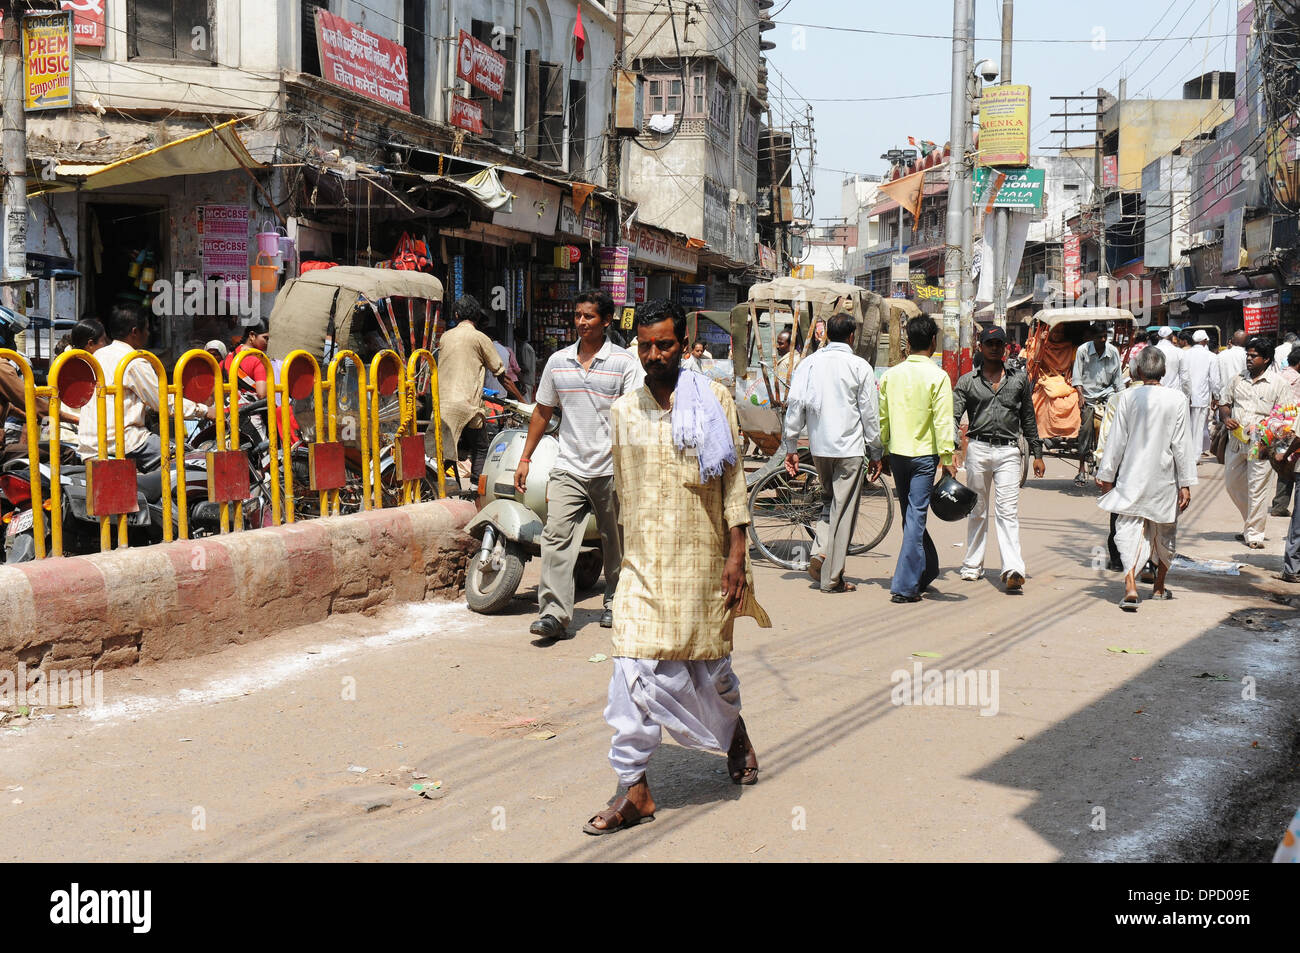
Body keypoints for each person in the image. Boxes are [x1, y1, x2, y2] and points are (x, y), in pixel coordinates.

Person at [583, 299, 771, 835]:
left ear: (683, 342)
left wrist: (737, 554)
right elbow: (620, 493)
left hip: (704, 559)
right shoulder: (623, 411)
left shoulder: (713, 399)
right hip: (644, 566)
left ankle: (732, 734)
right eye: (644, 345)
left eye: (664, 344)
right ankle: (634, 787)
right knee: (632, 670)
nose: (654, 354)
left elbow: (733, 480)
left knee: (707, 671)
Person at [516, 290, 641, 641]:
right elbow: (543, 411)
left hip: (611, 469)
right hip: (569, 466)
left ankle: (616, 600)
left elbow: (632, 415)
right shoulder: (558, 362)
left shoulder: (625, 364)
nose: (582, 322)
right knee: (555, 537)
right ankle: (554, 613)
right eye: (578, 316)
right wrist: (525, 457)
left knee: (614, 540)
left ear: (606, 321)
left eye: (589, 316)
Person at [780, 311, 882, 594]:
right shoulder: (859, 366)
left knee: (829, 503)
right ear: (852, 336)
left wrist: (791, 447)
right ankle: (832, 579)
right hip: (849, 449)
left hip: (819, 448)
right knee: (844, 510)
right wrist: (876, 451)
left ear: (826, 335)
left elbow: (795, 407)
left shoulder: (809, 364)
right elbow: (869, 414)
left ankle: (820, 551)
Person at [1096, 347, 1196, 609]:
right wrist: (1185, 483)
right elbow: (1182, 445)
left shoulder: (1127, 397)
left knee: (1128, 529)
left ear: (1139, 371)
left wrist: (1107, 477)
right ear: (1163, 371)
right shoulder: (1177, 399)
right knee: (1165, 531)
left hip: (1132, 476)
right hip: (1164, 478)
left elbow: (1115, 441)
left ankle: (1130, 583)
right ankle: (1159, 587)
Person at [953, 326, 1045, 592]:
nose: (994, 347)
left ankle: (1013, 568)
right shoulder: (967, 381)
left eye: (999, 343)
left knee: (1007, 512)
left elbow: (1028, 418)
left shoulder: (1018, 380)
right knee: (977, 510)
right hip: (978, 450)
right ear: (980, 347)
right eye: (989, 343)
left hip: (1008, 452)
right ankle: (972, 565)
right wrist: (951, 452)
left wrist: (1037, 454)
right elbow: (953, 416)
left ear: (1006, 348)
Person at [76, 305, 213, 469]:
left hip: (90, 446)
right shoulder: (133, 360)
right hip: (124, 442)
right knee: (190, 461)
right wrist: (204, 411)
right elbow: (163, 401)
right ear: (134, 331)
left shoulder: (98, 355)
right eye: (146, 329)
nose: (148, 334)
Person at [878, 315, 955, 603]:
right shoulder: (938, 377)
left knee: (911, 517)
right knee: (915, 517)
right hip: (924, 457)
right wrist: (948, 457)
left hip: (898, 454)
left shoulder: (890, 376)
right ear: (933, 343)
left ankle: (925, 569)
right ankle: (905, 586)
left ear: (908, 343)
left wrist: (883, 451)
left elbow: (882, 419)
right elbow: (943, 421)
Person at [438, 295, 523, 484]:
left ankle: (434, 480)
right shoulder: (480, 338)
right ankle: (477, 486)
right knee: (482, 446)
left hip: (442, 404)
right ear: (477, 317)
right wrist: (523, 402)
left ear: (456, 315)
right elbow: (502, 375)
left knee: (446, 450)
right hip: (468, 406)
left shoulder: (445, 337)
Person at [1219, 337, 1289, 549]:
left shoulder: (1279, 384)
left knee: (1257, 488)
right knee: (1233, 485)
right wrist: (1226, 417)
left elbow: (1286, 415)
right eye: (1247, 355)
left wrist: (1265, 428)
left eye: (1253, 356)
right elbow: (1224, 402)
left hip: (1261, 444)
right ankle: (1250, 522)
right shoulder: (1237, 379)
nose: (1248, 359)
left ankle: (1254, 535)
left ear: (1266, 359)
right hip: (1237, 443)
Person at [1071, 322, 1125, 487]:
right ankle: (1081, 468)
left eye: (1104, 336)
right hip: (1088, 396)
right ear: (1092, 338)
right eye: (1099, 337)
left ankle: (1113, 467)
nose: (1102, 339)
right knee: (1085, 428)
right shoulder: (1083, 351)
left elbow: (1118, 379)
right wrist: (1080, 396)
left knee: (1117, 427)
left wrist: (1123, 398)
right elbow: (1077, 377)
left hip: (1108, 395)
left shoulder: (1113, 351)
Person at [1181, 329, 1218, 460]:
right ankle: (1194, 457)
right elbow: (1214, 380)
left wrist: (1186, 392)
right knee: (1198, 427)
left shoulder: (1185, 354)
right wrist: (1216, 396)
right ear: (1204, 341)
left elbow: (1183, 376)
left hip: (1186, 396)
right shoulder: (1211, 357)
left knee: (1186, 426)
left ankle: (1186, 454)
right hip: (1201, 396)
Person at [1154, 325, 1191, 399]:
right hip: (1174, 394)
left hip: (1155, 393)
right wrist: (1187, 394)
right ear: (1171, 337)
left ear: (1158, 337)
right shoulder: (1179, 352)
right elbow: (1185, 377)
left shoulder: (1151, 350)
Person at [1217, 330, 1249, 402]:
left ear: (1232, 340)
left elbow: (1216, 378)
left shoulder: (1220, 355)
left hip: (1223, 396)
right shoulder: (1247, 356)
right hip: (1241, 396)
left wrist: (1216, 396)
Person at [515, 323, 537, 400]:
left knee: (525, 403)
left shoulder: (525, 348)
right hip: (527, 380)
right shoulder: (526, 347)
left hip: (526, 380)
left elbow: (526, 367)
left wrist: (516, 369)